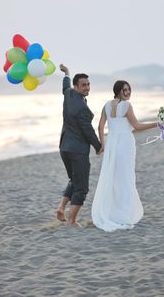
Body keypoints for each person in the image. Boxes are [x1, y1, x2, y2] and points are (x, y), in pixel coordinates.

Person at [91, 80, 158, 232]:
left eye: (129, 90)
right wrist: (157, 124)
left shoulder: (106, 105)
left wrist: (103, 143)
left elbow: (100, 126)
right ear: (118, 91)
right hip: (125, 143)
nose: (128, 92)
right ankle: (125, 213)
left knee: (114, 177)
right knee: (126, 176)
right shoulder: (127, 106)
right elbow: (137, 126)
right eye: (124, 90)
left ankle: (113, 212)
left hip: (112, 143)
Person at [57, 64, 102, 227]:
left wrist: (67, 73)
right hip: (77, 151)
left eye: (88, 84)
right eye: (84, 85)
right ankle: (71, 221)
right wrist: (98, 146)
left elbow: (65, 85)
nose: (87, 87)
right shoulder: (82, 108)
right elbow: (88, 131)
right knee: (81, 187)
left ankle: (61, 208)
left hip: (64, 148)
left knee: (73, 180)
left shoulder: (68, 94)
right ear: (77, 87)